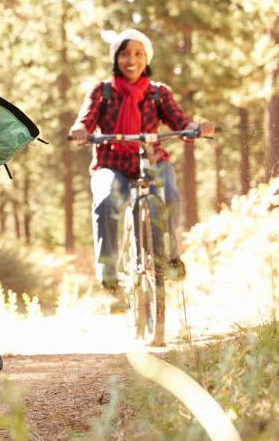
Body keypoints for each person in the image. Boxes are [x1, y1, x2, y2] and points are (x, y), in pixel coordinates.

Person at [69, 29, 215, 301]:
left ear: (147, 58)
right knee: (106, 202)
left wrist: (197, 128)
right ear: (116, 59)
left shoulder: (158, 93)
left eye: (138, 54)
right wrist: (80, 130)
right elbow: (85, 121)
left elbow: (180, 122)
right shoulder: (102, 92)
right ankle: (109, 274)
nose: (131, 60)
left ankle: (171, 257)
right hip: (111, 163)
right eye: (125, 54)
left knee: (169, 195)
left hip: (152, 161)